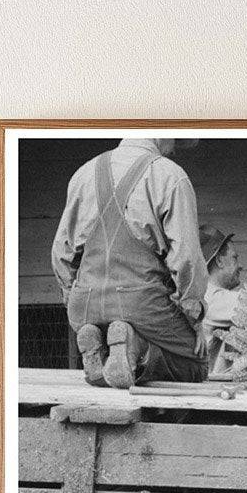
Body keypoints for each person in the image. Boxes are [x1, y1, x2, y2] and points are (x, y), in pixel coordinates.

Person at [52, 137, 208, 388]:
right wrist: (194, 314)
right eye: (176, 138)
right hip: (141, 304)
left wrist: (71, 294)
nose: (175, 146)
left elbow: (61, 252)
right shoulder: (170, 175)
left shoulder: (83, 172)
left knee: (108, 363)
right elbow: (186, 257)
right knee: (198, 365)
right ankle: (138, 346)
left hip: (85, 304)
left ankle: (98, 341)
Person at [199, 225, 241, 371]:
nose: (240, 266)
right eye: (234, 258)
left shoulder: (213, 296)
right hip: (212, 389)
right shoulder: (210, 298)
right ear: (219, 261)